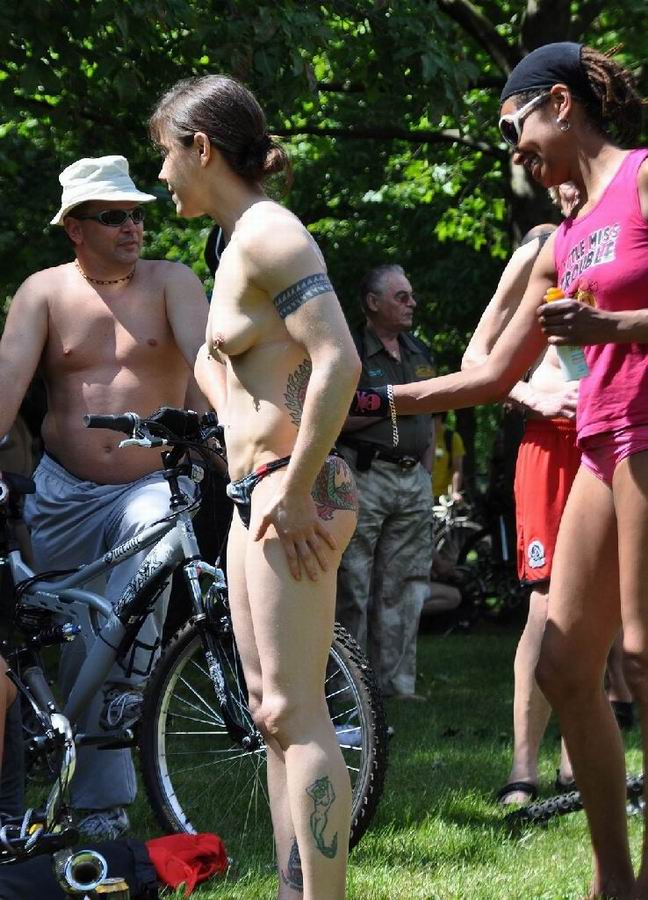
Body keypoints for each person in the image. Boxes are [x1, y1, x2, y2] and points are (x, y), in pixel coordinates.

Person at [351, 42, 648, 898]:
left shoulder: (640, 180)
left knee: (640, 655)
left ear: (560, 102)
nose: (515, 151)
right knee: (563, 664)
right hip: (598, 444)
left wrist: (614, 329)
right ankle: (615, 881)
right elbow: (489, 376)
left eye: (516, 128)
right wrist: (372, 402)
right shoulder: (564, 241)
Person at [149, 74, 361, 900]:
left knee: (297, 713)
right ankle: (292, 889)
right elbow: (241, 368)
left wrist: (298, 488)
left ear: (201, 148)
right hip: (257, 495)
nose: (160, 173)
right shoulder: (231, 243)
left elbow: (340, 359)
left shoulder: (273, 234)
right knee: (272, 714)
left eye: (165, 153)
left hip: (294, 492)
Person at [0, 154, 209, 840]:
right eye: (113, 216)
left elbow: (209, 366)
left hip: (149, 486)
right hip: (62, 495)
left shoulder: (174, 282)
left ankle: (103, 801)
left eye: (137, 214)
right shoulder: (43, 292)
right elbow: (5, 386)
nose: (132, 226)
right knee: (76, 642)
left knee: (135, 599)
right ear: (75, 228)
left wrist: (238, 434)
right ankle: (61, 773)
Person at [462, 185, 580, 805]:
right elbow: (476, 357)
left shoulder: (624, 234)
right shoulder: (539, 247)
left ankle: (576, 763)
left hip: (613, 439)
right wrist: (535, 395)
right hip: (550, 446)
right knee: (545, 605)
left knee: (602, 606)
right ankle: (522, 766)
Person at [335, 264, 435, 700]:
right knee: (353, 583)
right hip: (364, 473)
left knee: (406, 584)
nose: (412, 303)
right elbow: (334, 415)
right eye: (401, 297)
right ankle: (349, 688)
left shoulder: (419, 351)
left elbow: (430, 415)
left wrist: (426, 470)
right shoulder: (349, 352)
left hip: (413, 478)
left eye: (410, 295)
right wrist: (392, 404)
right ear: (373, 303)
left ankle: (397, 687)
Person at [431, 412, 465, 502]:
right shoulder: (422, 437)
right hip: (422, 494)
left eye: (431, 417)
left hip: (444, 497)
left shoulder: (452, 438)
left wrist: (455, 492)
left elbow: (457, 469)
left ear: (440, 417)